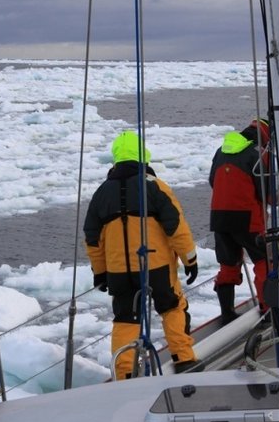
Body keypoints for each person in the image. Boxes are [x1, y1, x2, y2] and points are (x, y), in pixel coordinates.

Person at [84, 130, 201, 379]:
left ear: (116, 158)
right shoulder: (155, 187)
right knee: (172, 307)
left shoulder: (101, 194)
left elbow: (93, 239)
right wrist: (189, 259)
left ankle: (125, 373)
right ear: (143, 156)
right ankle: (183, 359)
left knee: (126, 319)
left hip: (118, 271)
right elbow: (176, 226)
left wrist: (100, 272)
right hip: (155, 266)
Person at [209, 118, 270, 323]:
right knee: (264, 263)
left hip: (219, 218)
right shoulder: (257, 154)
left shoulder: (221, 151)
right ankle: (267, 310)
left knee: (228, 266)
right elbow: (267, 191)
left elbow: (212, 181)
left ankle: (227, 313)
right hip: (249, 220)